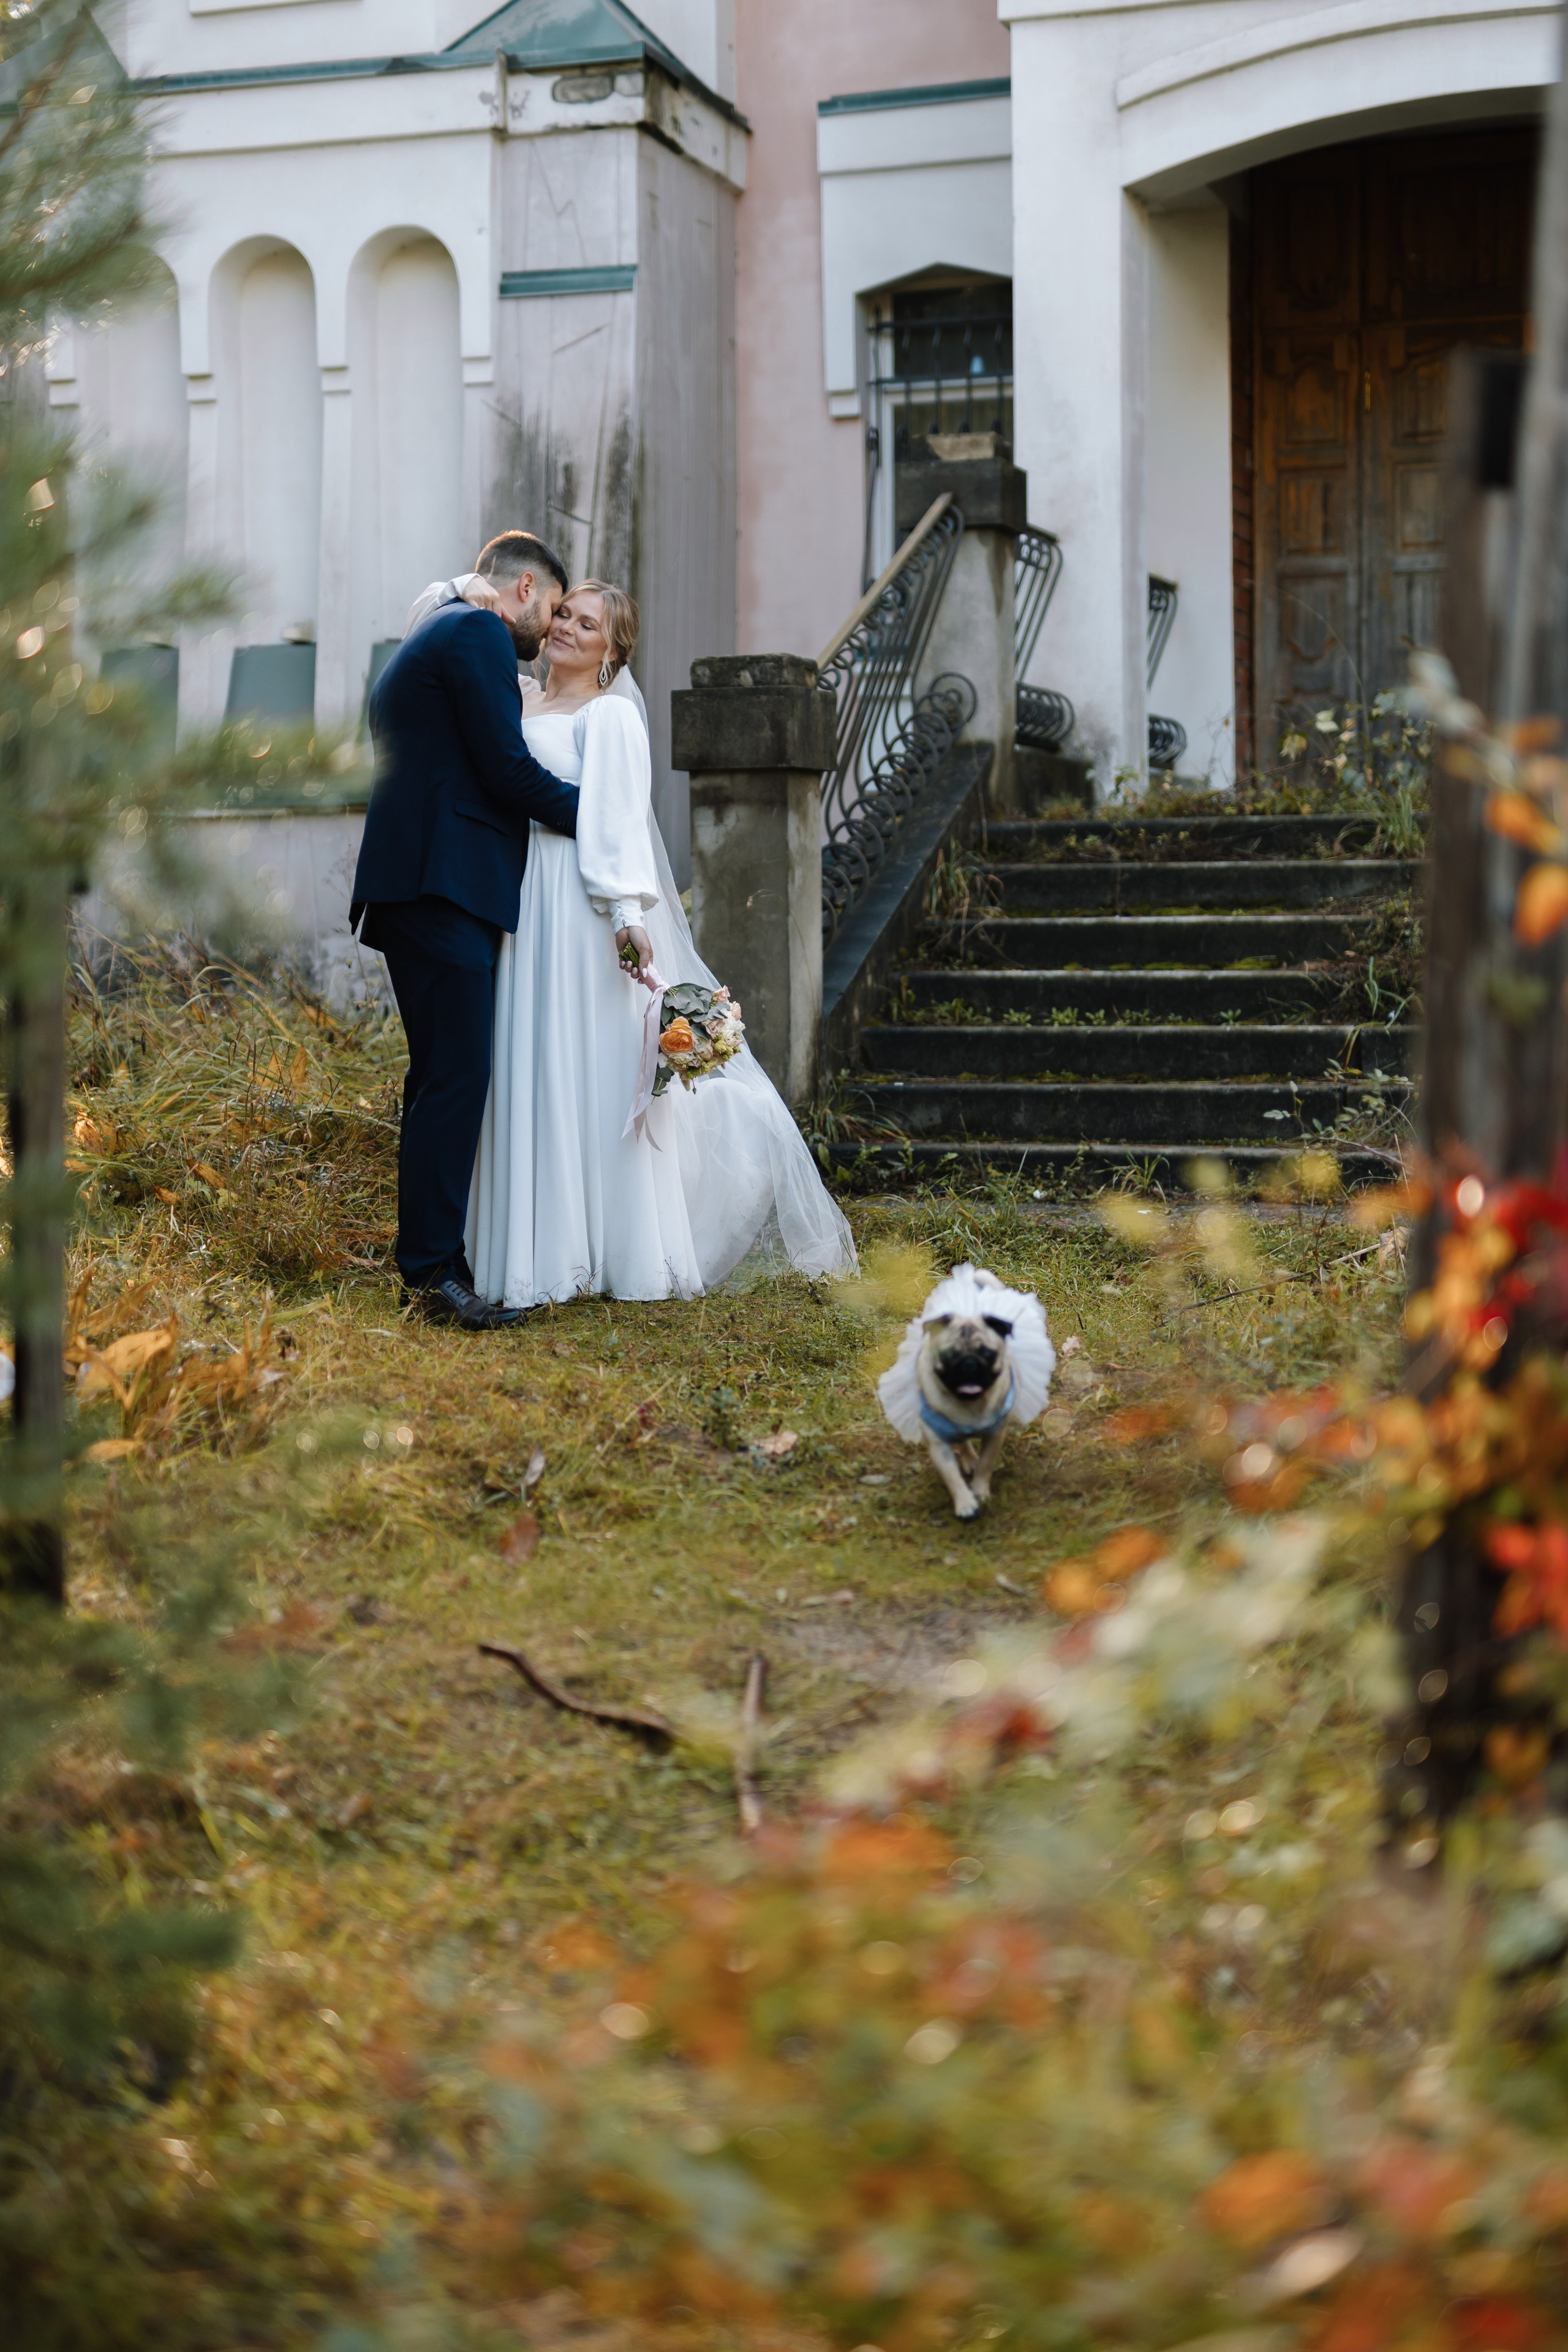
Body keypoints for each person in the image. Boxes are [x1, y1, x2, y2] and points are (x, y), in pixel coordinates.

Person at [407, 568, 855, 1305]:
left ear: (611, 655)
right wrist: (468, 584)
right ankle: (523, 1251)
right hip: (517, 902)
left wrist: (626, 917)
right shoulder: (517, 696)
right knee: (522, 1065)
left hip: (575, 907)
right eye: (564, 616)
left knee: (574, 1067)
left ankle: (597, 1253)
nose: (566, 630)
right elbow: (428, 622)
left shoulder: (608, 717)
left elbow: (615, 824)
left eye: (587, 626)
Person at [350, 532, 579, 1330]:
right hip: (441, 882)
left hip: (423, 881)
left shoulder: (437, 629)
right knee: (456, 1076)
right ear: (523, 589)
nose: (550, 630)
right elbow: (505, 767)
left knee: (440, 1075)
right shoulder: (478, 630)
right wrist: (603, 820)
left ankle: (431, 1262)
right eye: (552, 608)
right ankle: (435, 1276)